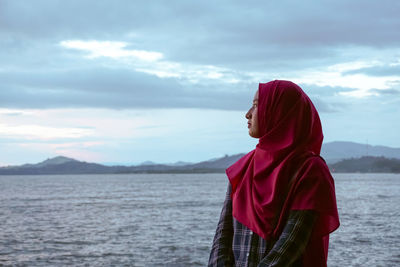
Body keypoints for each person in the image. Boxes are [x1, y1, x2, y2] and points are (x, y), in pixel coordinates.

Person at [208, 80, 340, 267]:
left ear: (279, 111)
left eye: (255, 106)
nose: (247, 114)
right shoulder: (245, 167)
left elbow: (290, 246)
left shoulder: (310, 171)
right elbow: (223, 234)